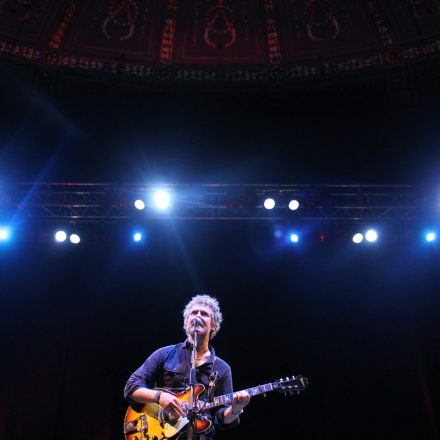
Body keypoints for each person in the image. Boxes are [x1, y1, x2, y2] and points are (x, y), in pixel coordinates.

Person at [124, 294, 250, 439]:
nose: (198, 316)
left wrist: (235, 409)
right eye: (194, 313)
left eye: (204, 314)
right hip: (160, 432)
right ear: (187, 322)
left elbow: (222, 420)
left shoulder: (222, 368)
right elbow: (131, 387)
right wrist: (160, 397)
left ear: (213, 325)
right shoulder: (165, 354)